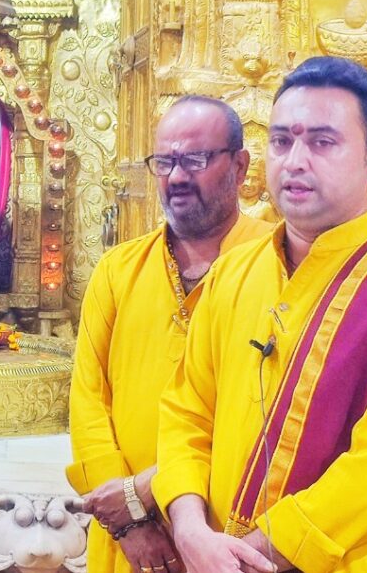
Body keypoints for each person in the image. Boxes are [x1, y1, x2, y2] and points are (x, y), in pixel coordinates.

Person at [154, 56, 367, 573]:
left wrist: (248, 558)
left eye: (322, 142)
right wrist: (190, 529)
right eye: (281, 141)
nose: (295, 161)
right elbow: (186, 413)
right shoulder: (234, 272)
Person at [68, 96, 272, 573]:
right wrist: (129, 520)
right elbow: (88, 399)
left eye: (195, 159)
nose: (176, 176)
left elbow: (280, 411)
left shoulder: (278, 263)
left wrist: (148, 489)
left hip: (233, 529)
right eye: (164, 162)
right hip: (131, 542)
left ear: (240, 166)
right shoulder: (118, 270)